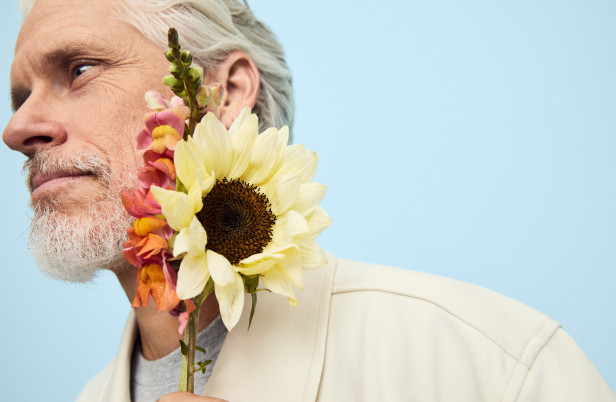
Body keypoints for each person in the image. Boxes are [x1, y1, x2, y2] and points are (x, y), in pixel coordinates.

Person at [3, 0, 615, 401]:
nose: (18, 130)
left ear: (226, 93)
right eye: (19, 97)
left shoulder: (491, 364)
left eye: (79, 69)